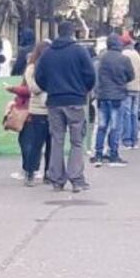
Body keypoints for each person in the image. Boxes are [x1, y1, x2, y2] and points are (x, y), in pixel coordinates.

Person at [35, 21, 96, 192]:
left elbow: (39, 77)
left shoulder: (48, 54)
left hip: (54, 101)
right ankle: (76, 179)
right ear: (72, 33)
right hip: (76, 100)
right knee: (77, 141)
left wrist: (51, 88)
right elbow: (90, 74)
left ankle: (56, 179)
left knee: (57, 140)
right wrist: (83, 89)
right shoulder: (79, 51)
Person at [7, 40, 51, 186]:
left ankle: (46, 173)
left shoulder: (42, 67)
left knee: (48, 144)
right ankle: (31, 173)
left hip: (49, 109)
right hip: (38, 109)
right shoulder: (32, 68)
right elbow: (34, 88)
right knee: (37, 143)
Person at [92, 33, 135, 166]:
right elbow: (131, 75)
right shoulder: (124, 59)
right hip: (117, 95)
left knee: (102, 126)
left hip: (103, 95)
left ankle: (98, 154)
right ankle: (113, 154)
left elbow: (96, 75)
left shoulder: (101, 58)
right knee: (115, 126)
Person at [121, 32, 140, 150]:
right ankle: (135, 140)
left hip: (126, 88)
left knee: (126, 114)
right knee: (134, 114)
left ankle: (126, 140)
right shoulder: (136, 55)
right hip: (137, 88)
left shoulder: (123, 55)